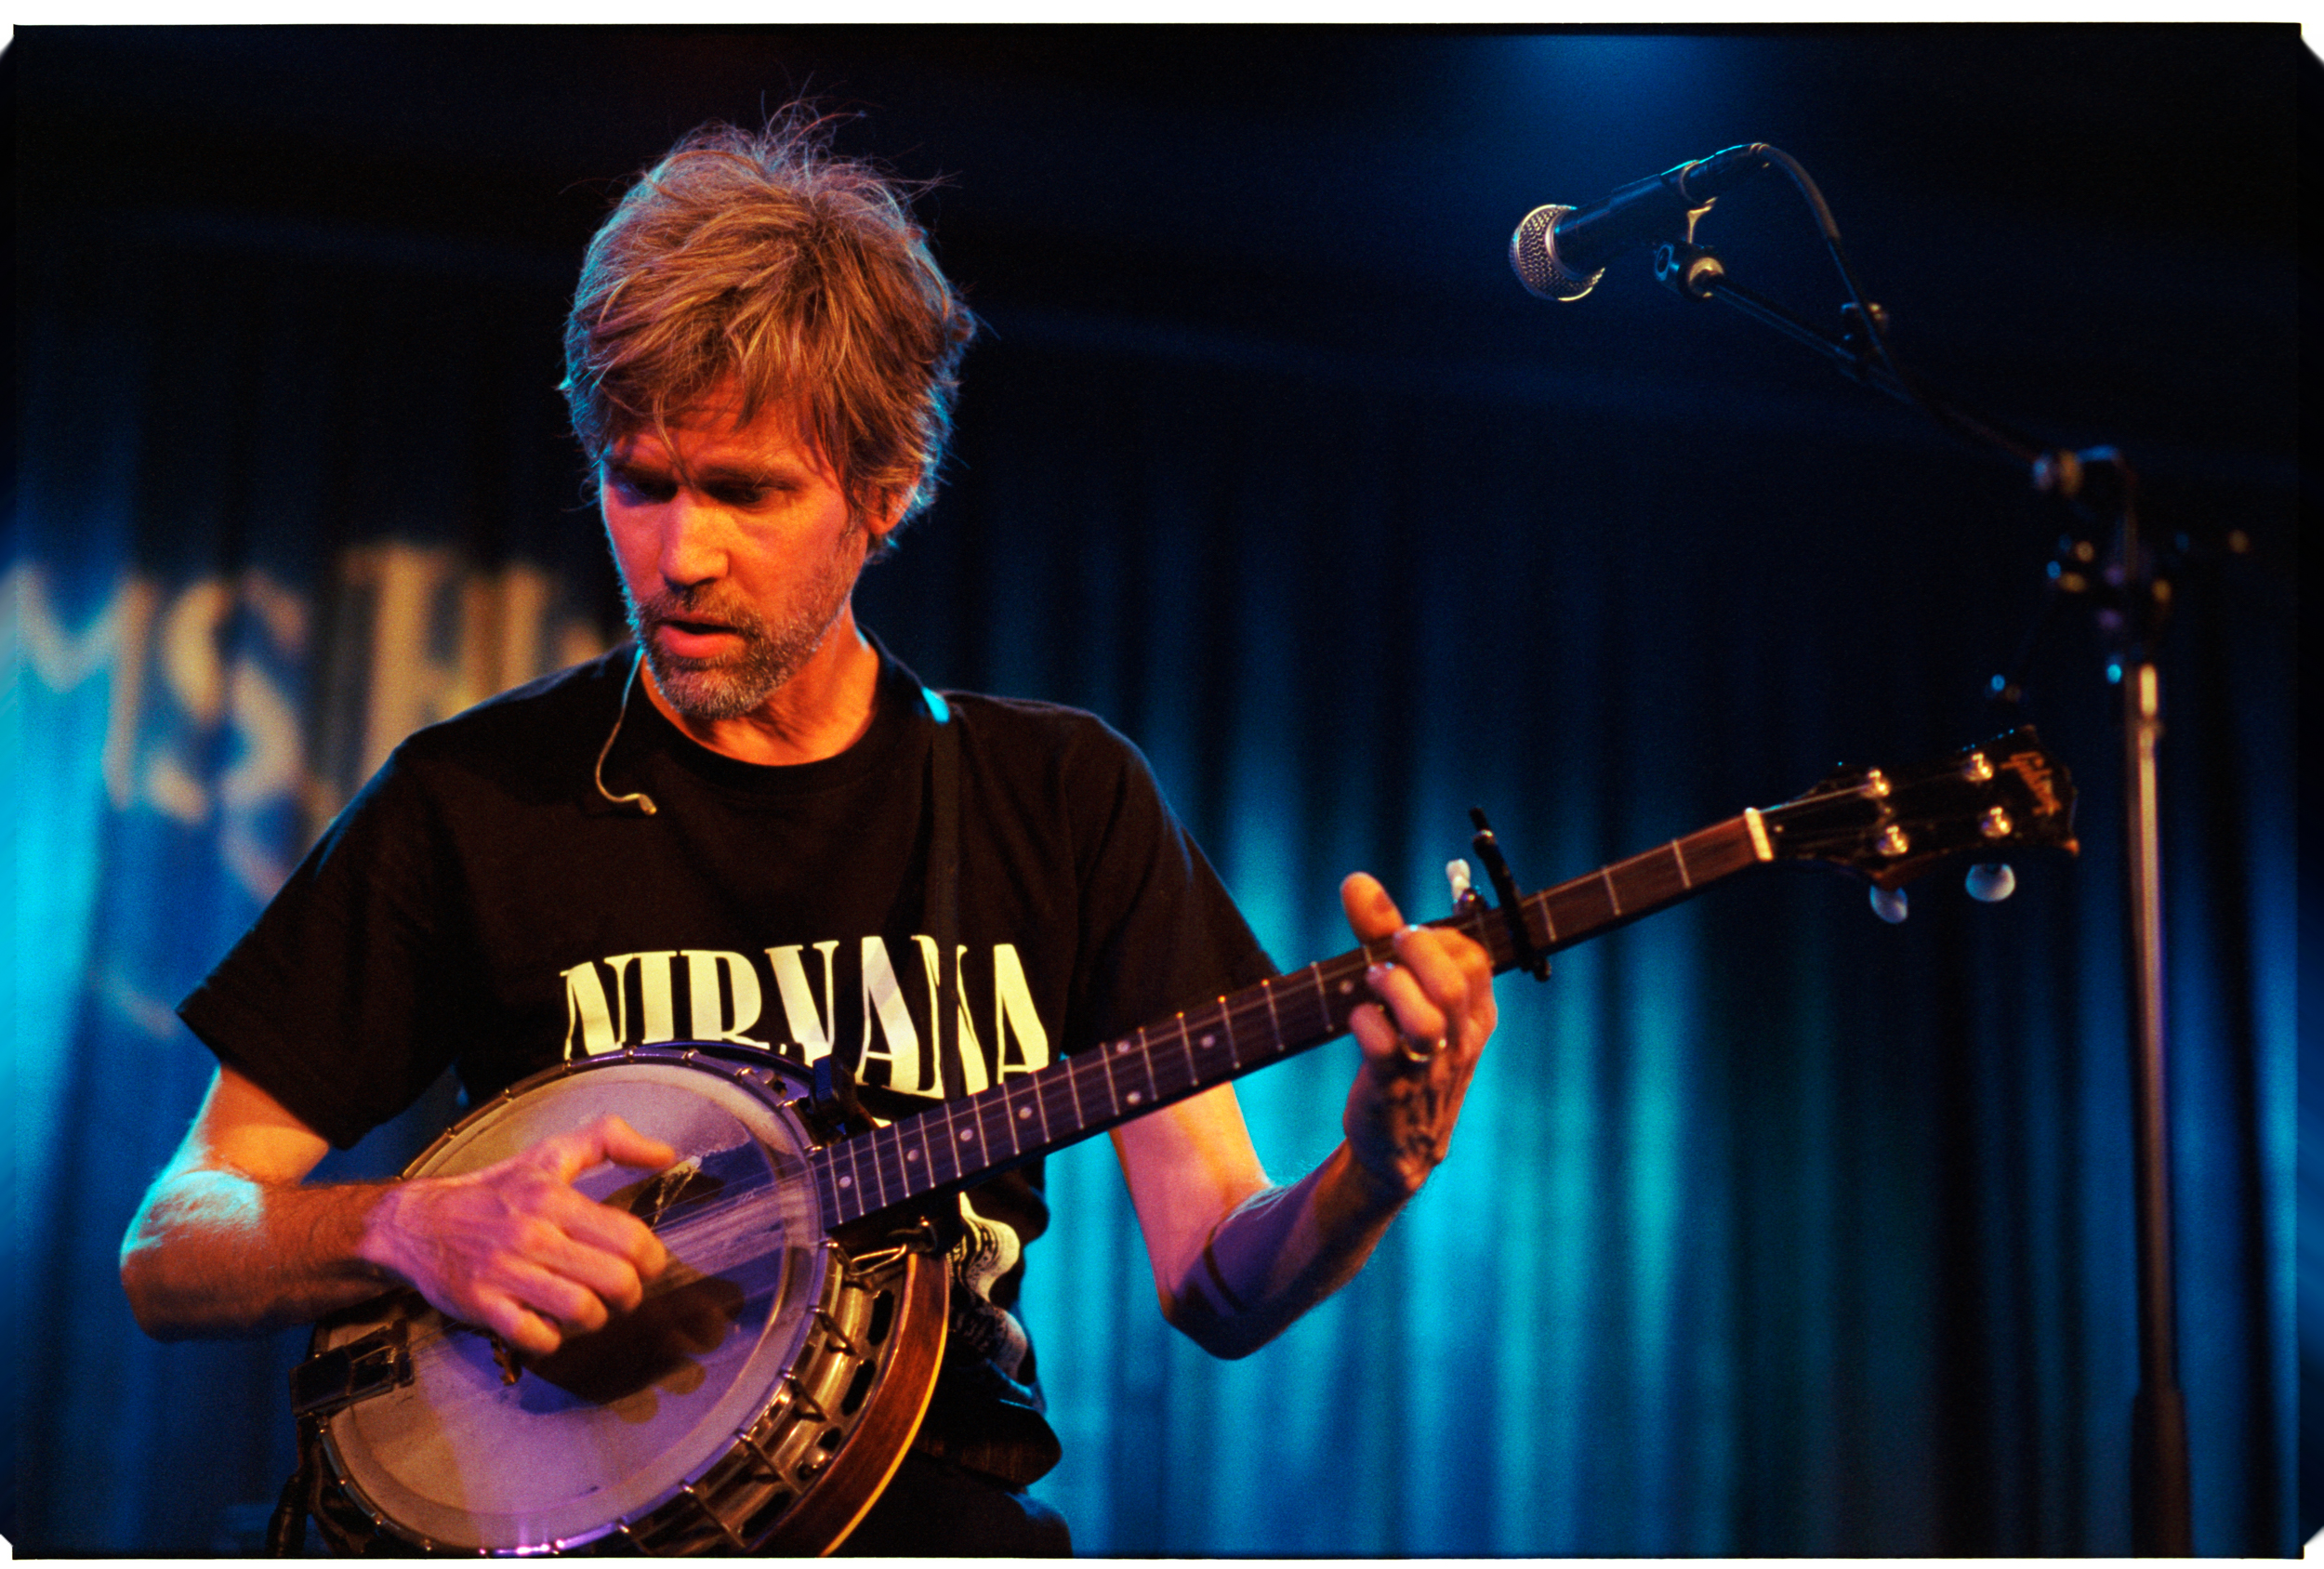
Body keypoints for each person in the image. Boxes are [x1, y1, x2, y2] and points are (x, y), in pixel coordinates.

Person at [119, 112, 1498, 1555]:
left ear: (885, 497)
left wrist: (1374, 1174)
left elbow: (1219, 1283)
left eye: (745, 491)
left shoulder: (1059, 800)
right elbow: (175, 1244)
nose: (679, 553)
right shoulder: (478, 795)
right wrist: (405, 1227)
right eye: (639, 481)